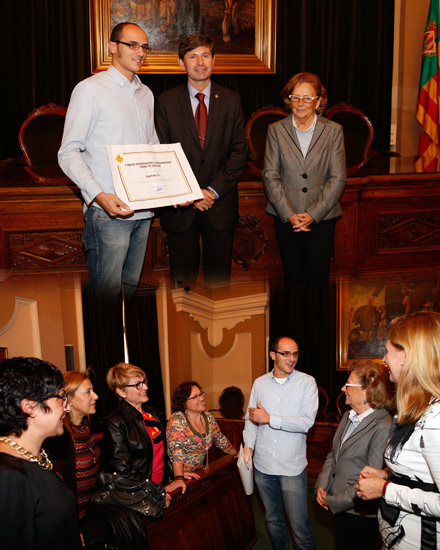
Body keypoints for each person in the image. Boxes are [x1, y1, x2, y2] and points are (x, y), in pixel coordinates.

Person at [58, 22, 159, 300]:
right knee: (105, 297)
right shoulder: (90, 89)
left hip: (144, 212)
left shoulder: (146, 94)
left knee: (129, 290)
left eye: (145, 47)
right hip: (108, 214)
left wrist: (171, 186)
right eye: (133, 45)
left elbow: (152, 146)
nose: (140, 52)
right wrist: (99, 195)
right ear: (112, 47)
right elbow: (68, 152)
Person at [154, 33, 248, 288]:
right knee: (183, 285)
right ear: (181, 63)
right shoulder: (164, 102)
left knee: (219, 284)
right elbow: (162, 153)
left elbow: (239, 152)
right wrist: (192, 194)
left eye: (205, 55)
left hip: (220, 205)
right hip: (180, 209)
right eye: (192, 56)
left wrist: (211, 191)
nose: (200, 62)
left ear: (214, 61)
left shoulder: (232, 100)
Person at [356, 311, 440, 549]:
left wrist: (385, 489)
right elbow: (424, 478)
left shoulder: (435, 419)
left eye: (387, 351)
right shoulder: (417, 407)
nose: (384, 359)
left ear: (405, 356)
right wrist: (388, 475)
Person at [262, 72, 346, 285]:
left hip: (321, 219)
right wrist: (290, 214)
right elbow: (270, 176)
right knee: (292, 277)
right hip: (286, 218)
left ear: (318, 101)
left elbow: (337, 178)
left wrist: (312, 214)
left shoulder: (333, 131)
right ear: (288, 100)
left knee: (318, 277)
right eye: (295, 97)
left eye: (307, 98)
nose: (301, 103)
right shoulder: (275, 130)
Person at [243, 336, 318, 550]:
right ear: (272, 355)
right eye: (286, 353)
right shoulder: (260, 383)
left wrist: (269, 418)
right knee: (273, 521)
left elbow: (306, 423)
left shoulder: (307, 382)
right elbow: (250, 420)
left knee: (299, 526)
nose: (291, 358)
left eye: (295, 354)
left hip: (291, 467)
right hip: (263, 466)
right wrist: (248, 446)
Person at [0, 357, 82, 550]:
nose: (67, 407)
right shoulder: (8, 477)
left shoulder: (40, 456)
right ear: (29, 407)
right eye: (61, 397)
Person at [315, 360, 394, 550]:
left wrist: (333, 501)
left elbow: (369, 480)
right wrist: (321, 486)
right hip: (340, 505)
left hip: (360, 512)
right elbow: (332, 456)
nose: (343, 388)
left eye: (348, 385)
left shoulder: (383, 425)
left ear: (367, 390)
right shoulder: (347, 416)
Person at [103, 362, 185, 500]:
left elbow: (161, 454)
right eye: (137, 385)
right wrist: (154, 491)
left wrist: (177, 476)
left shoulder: (151, 412)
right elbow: (122, 471)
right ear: (121, 391)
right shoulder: (115, 422)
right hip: (140, 494)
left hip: (162, 485)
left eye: (144, 382)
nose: (145, 387)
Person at [45, 371, 100, 520]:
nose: (95, 396)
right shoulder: (60, 438)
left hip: (91, 513)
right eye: (88, 392)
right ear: (68, 400)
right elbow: (57, 490)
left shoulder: (84, 427)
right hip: (72, 519)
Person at [166, 381, 238, 480]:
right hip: (182, 476)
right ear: (184, 403)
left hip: (198, 474)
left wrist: (237, 455)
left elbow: (220, 439)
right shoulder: (177, 420)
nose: (202, 398)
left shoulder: (208, 417)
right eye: (195, 397)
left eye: (201, 394)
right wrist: (179, 477)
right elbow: (176, 451)